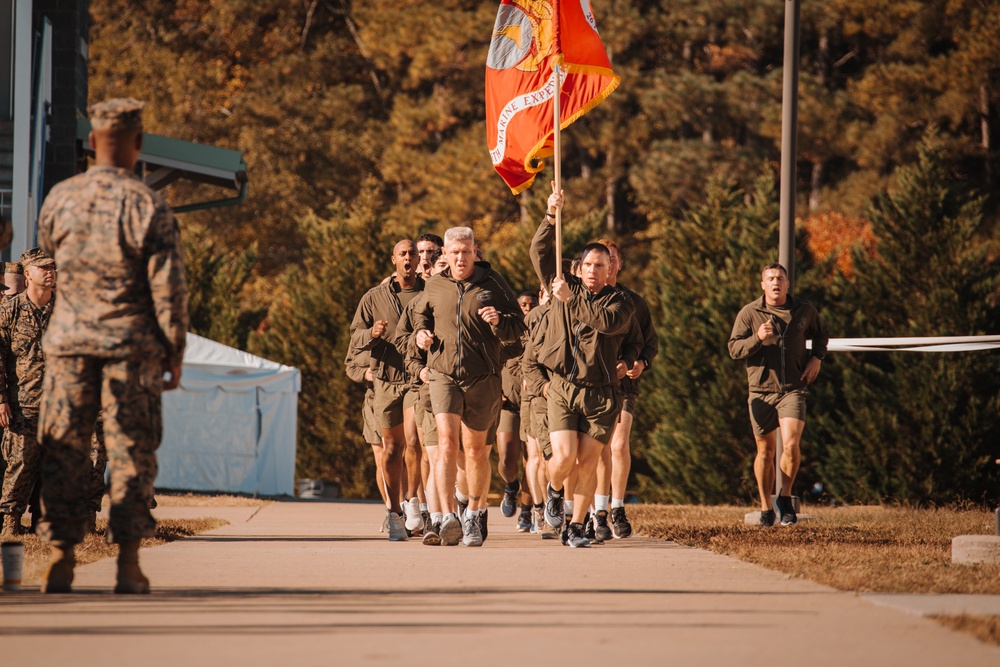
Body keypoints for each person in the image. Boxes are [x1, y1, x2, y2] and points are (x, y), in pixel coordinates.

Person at [36, 97, 189, 594]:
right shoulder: (149, 205)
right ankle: (126, 561)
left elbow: (51, 254)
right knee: (129, 450)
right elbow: (168, 289)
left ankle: (60, 556)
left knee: (64, 447)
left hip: (68, 344)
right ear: (137, 145)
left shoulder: (60, 198)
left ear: (93, 143)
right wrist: (175, 352)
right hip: (130, 346)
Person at [530, 185, 638, 548]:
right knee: (563, 458)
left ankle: (576, 526)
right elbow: (539, 251)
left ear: (611, 270)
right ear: (578, 267)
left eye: (601, 266)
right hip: (563, 388)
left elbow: (604, 324)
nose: (594, 271)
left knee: (589, 463)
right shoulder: (562, 286)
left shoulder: (621, 303)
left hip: (602, 393)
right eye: (588, 265)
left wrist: (570, 299)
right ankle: (554, 489)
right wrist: (550, 214)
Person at [413, 226, 525, 547]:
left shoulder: (493, 283)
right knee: (447, 443)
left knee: (476, 452)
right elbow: (420, 318)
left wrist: (499, 321)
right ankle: (448, 516)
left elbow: (518, 326)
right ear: (444, 255)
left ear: (475, 251)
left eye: (466, 251)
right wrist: (421, 335)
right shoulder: (434, 285)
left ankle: (474, 513)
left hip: (483, 377)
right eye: (454, 252)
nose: (461, 258)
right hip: (443, 374)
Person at [728, 263, 829, 526]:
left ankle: (784, 496)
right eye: (770, 278)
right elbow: (734, 349)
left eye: (780, 278)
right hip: (760, 390)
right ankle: (765, 508)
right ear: (763, 285)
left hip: (792, 389)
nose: (775, 282)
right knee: (765, 450)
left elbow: (821, 333)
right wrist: (757, 338)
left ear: (787, 285)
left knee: (792, 443)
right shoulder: (749, 313)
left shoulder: (803, 311)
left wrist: (817, 358)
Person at [349, 240, 425, 540]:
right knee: (392, 450)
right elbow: (355, 337)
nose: (408, 258)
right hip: (385, 380)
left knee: (414, 439)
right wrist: (373, 333)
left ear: (419, 259)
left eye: (412, 254)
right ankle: (394, 513)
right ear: (393, 259)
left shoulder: (428, 292)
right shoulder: (374, 297)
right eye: (402, 254)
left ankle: (414, 503)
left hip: (417, 378)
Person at [594, 238, 658, 541]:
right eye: (603, 259)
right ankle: (598, 509)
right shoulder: (584, 299)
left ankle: (617, 507)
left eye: (614, 259)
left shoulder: (634, 302)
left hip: (626, 384)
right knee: (598, 449)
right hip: (593, 385)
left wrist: (641, 362)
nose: (609, 264)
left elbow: (650, 342)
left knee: (618, 445)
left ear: (618, 265)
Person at [0, 248, 56, 537]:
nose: (50, 271)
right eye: (43, 267)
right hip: (23, 403)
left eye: (52, 267)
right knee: (20, 463)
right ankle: (11, 521)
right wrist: (2, 400)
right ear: (28, 274)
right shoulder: (10, 309)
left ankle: (42, 523)